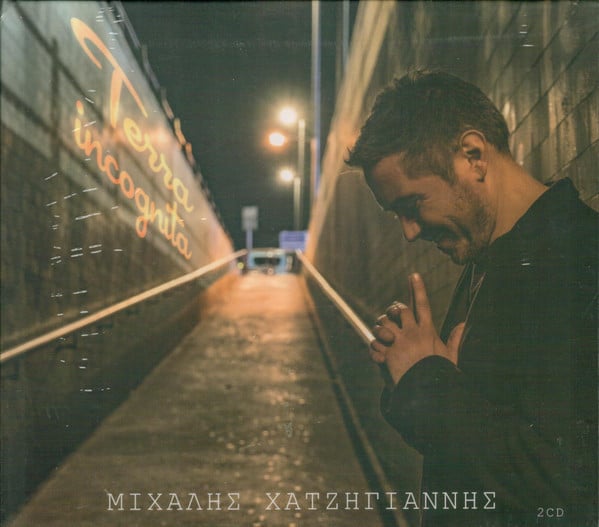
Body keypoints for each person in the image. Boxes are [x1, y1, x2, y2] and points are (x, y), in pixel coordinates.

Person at [346, 70, 597, 526]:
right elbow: (477, 447)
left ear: (473, 156)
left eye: (412, 205)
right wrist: (411, 375)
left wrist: (427, 381)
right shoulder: (491, 261)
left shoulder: (580, 259)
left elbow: (569, 482)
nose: (409, 232)